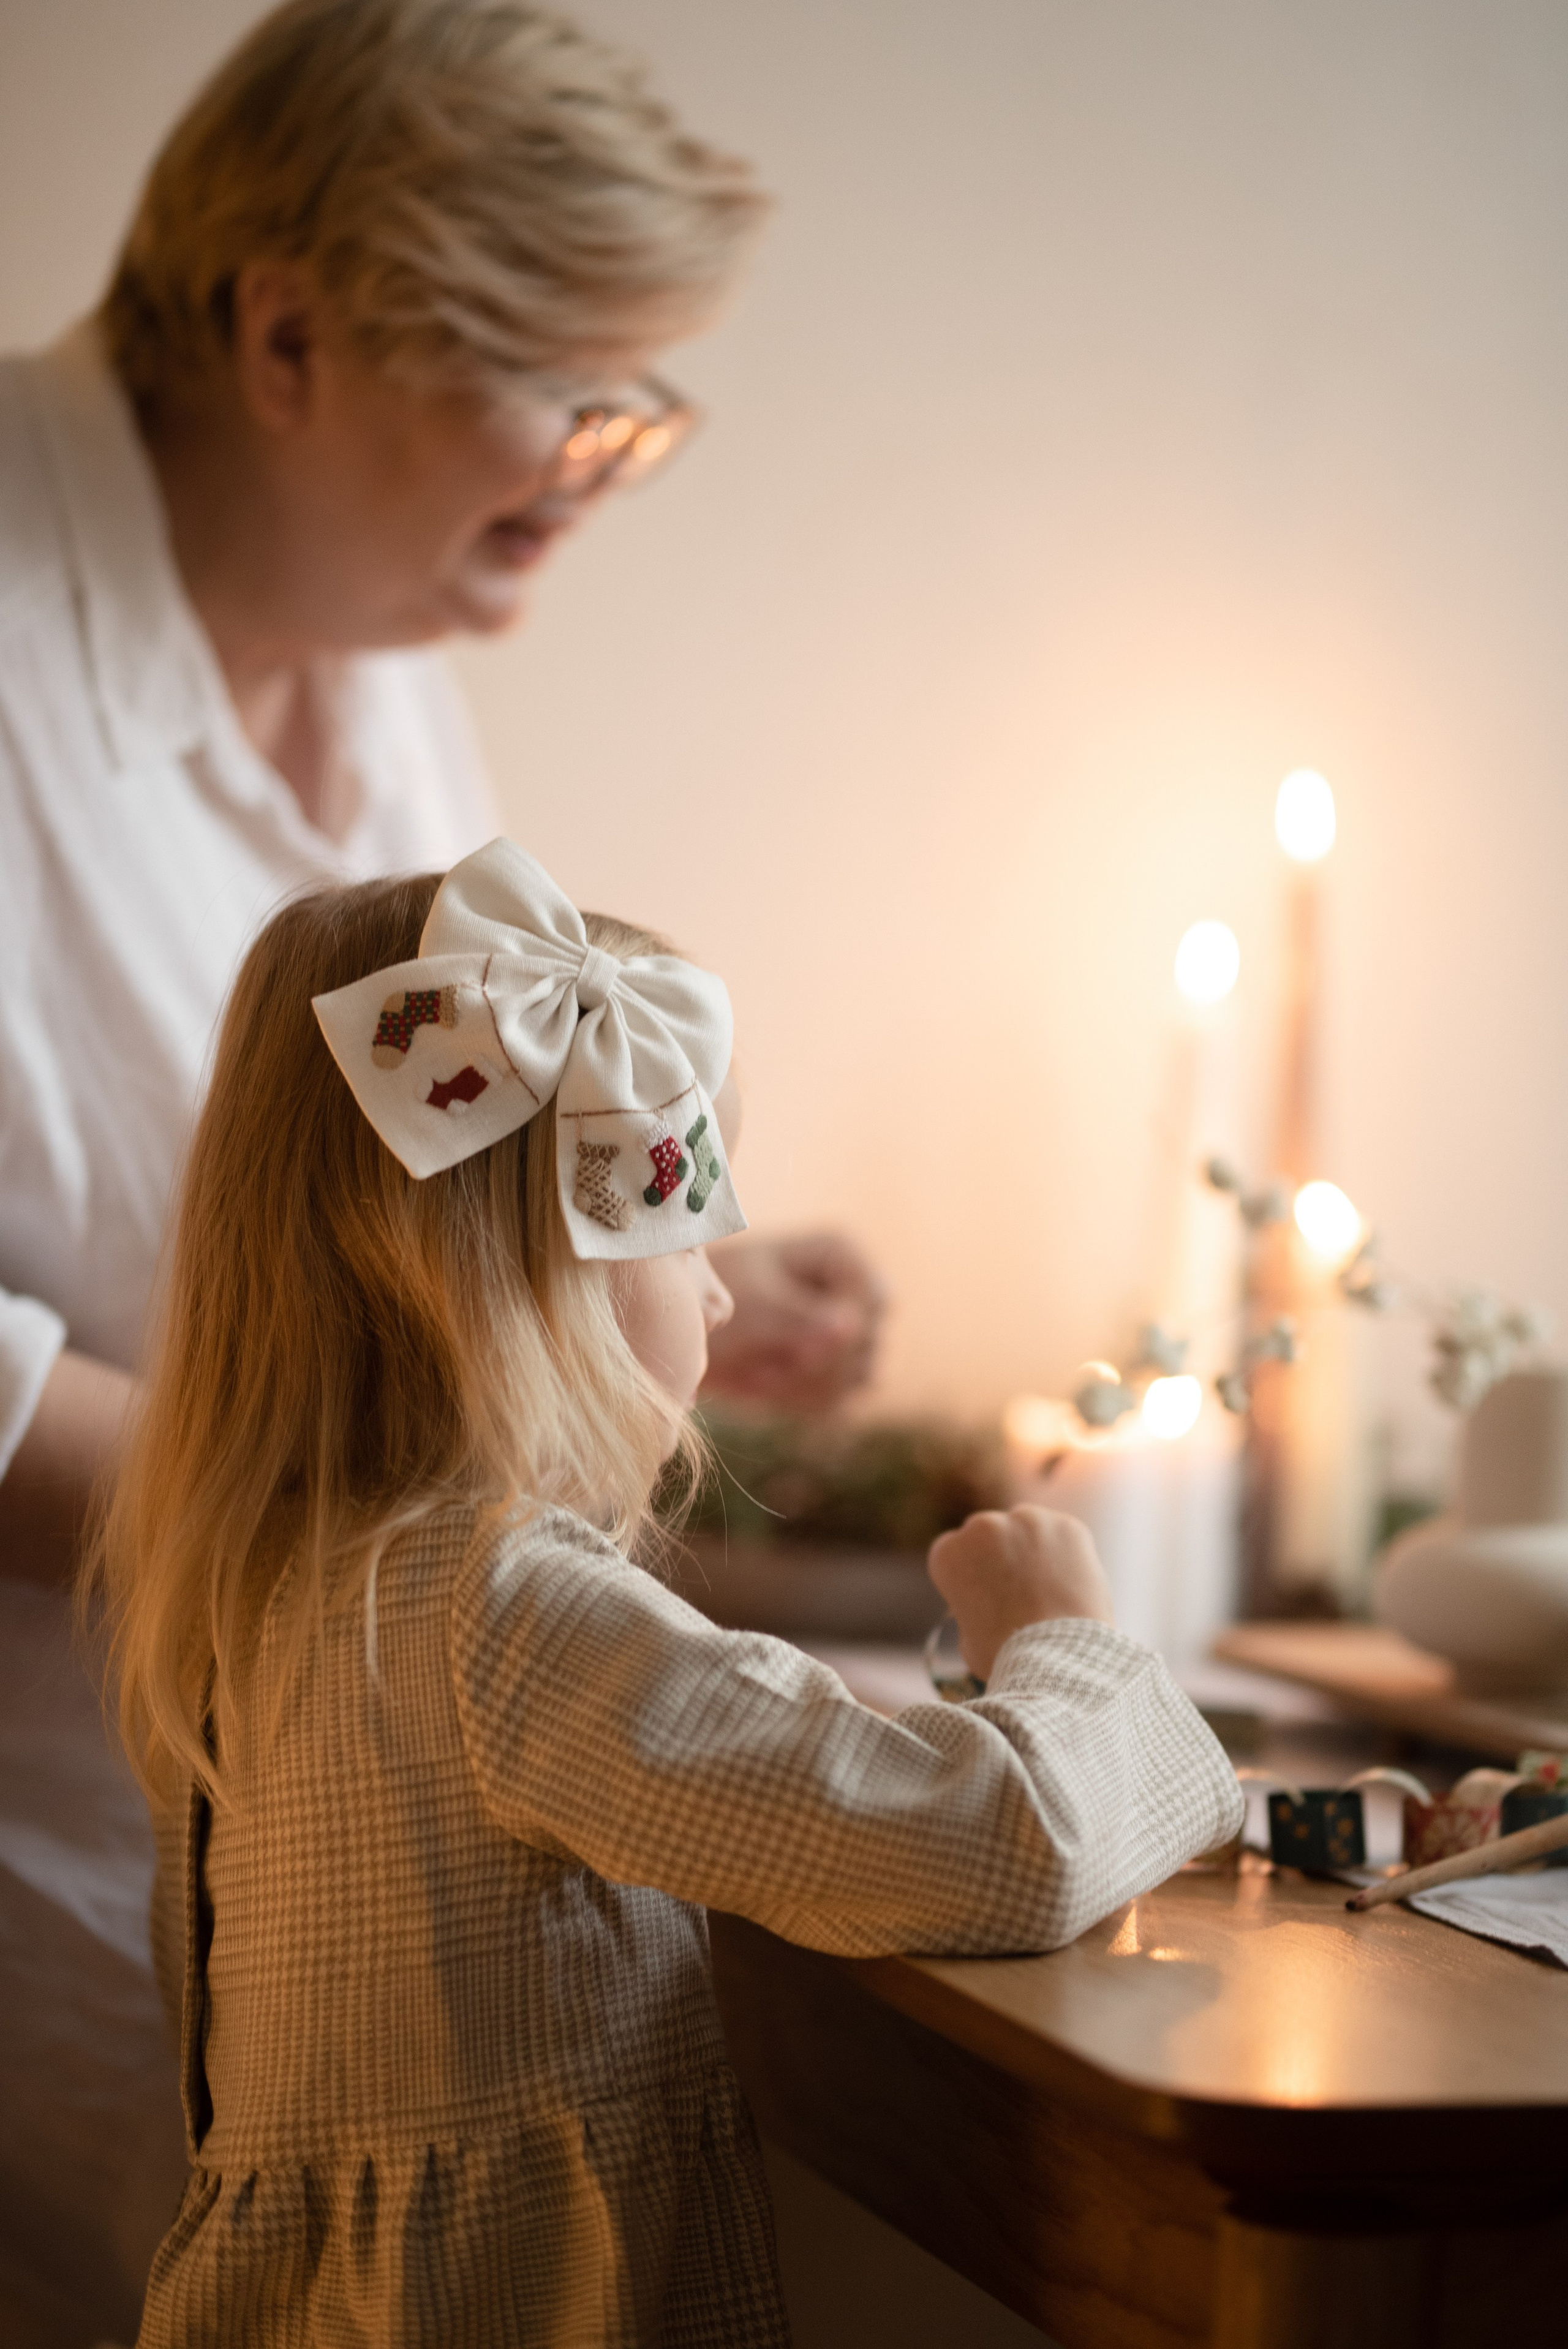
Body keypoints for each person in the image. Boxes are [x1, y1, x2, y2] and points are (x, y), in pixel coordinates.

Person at [93, 838, 1243, 2342]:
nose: (714, 1287)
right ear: (552, 1273)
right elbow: (997, 1853)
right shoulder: (493, 1610)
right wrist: (1062, 1640)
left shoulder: (263, 1602)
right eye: (688, 1216)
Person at [0, 0, 884, 1593]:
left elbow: (389, 1150)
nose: (600, 468)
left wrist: (637, 1278)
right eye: (569, 397)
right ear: (290, 342)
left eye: (638, 407)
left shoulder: (374, 639)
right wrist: (413, 1563)